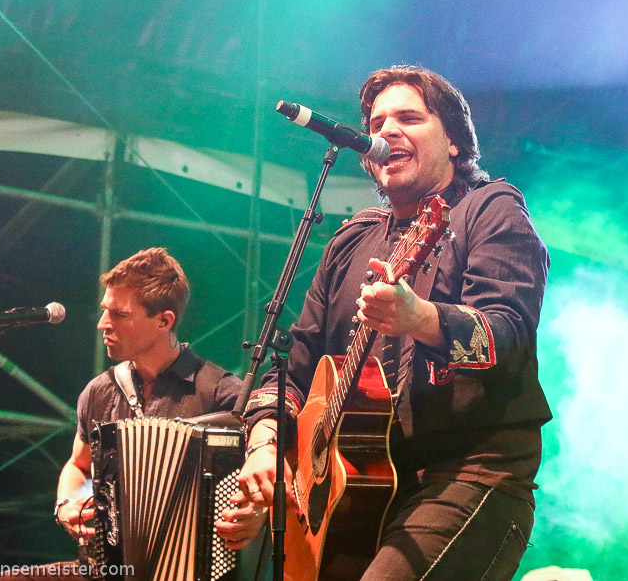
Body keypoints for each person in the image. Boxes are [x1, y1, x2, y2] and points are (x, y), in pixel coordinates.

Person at [234, 65, 552, 580]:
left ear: (454, 141)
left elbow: (508, 334)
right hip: (355, 490)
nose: (387, 131)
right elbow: (293, 368)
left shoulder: (490, 209)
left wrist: (421, 318)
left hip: (465, 476)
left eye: (409, 117)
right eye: (376, 123)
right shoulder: (351, 241)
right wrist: (265, 444)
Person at [0, 247, 263, 581]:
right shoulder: (100, 391)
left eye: (119, 315)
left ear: (164, 321)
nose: (102, 324)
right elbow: (78, 466)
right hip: (106, 569)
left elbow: (273, 474)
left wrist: (256, 510)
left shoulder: (223, 393)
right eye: (104, 311)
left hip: (194, 571)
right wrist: (66, 504)